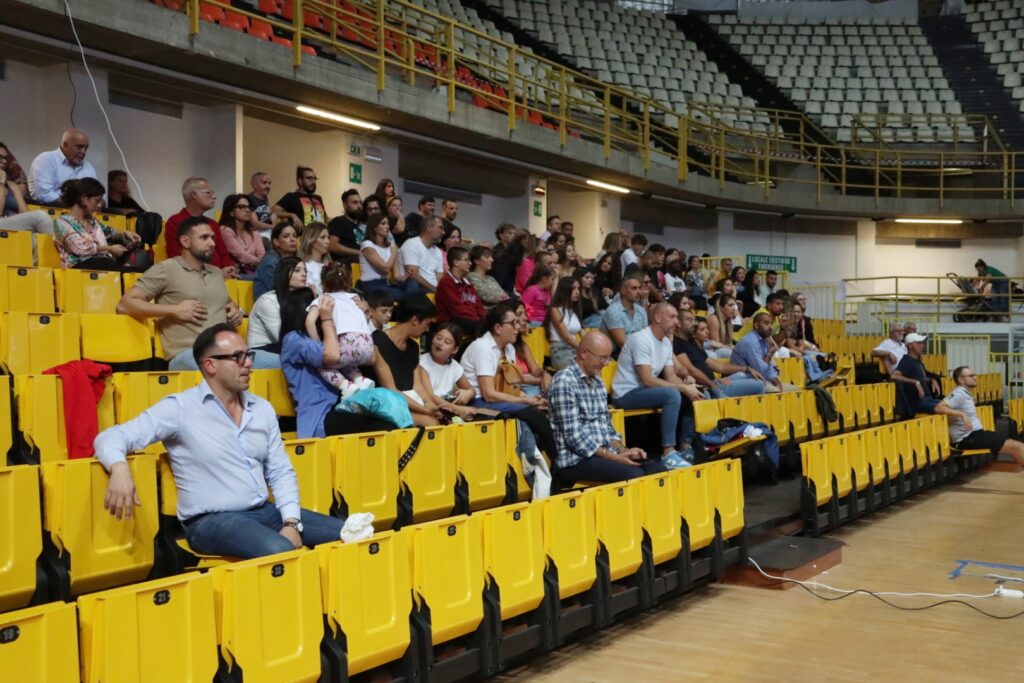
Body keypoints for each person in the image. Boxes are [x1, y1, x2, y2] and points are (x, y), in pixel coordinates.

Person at [94, 323, 344, 559]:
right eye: (238, 357)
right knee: (280, 550)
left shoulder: (262, 408)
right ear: (210, 365)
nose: (248, 364)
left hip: (265, 512)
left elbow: (281, 472)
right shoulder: (180, 408)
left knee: (351, 534)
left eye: (248, 356)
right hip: (210, 521)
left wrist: (291, 522)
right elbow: (112, 436)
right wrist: (119, 467)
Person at [117, 216, 243, 370]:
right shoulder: (166, 269)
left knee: (276, 362)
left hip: (227, 351)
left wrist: (235, 309)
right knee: (224, 370)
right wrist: (175, 310)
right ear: (185, 242)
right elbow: (125, 304)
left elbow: (223, 301)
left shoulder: (216, 273)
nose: (212, 243)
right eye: (204, 238)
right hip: (190, 353)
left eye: (212, 238)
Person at [550, 331, 666, 483]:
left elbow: (607, 428)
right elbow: (574, 437)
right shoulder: (564, 381)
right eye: (602, 357)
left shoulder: (598, 381)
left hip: (604, 455)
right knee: (634, 476)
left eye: (608, 357)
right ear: (584, 353)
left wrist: (623, 451)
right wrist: (615, 457)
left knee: (656, 470)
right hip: (576, 460)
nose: (606, 363)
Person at [280, 289, 393, 438]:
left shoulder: (321, 336)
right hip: (321, 413)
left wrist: (360, 312)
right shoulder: (293, 340)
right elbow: (333, 355)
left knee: (389, 420)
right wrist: (327, 320)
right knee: (382, 428)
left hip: (342, 406)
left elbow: (365, 355)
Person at [610, 303, 703, 468]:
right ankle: (668, 453)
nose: (677, 322)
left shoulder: (666, 342)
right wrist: (682, 388)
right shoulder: (641, 339)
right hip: (626, 393)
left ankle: (685, 447)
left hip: (645, 390)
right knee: (672, 395)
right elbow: (647, 379)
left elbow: (672, 376)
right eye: (672, 317)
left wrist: (690, 389)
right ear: (658, 318)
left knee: (695, 394)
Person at [460, 303, 558, 457]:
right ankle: (560, 466)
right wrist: (526, 402)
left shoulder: (509, 348)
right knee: (536, 418)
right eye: (513, 323)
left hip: (500, 400)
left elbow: (512, 383)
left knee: (546, 412)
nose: (517, 327)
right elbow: (489, 394)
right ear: (498, 328)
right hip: (478, 402)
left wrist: (532, 398)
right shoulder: (483, 347)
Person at [366, 295, 442, 427]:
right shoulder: (377, 341)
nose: (427, 329)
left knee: (441, 421)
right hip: (384, 404)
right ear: (414, 320)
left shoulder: (413, 347)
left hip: (407, 403)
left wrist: (432, 407)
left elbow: (417, 387)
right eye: (427, 324)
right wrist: (426, 411)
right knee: (431, 423)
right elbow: (391, 389)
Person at [306, 263, 375, 398]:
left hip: (346, 343)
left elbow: (309, 321)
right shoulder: (355, 299)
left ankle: (345, 385)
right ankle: (360, 380)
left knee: (322, 361)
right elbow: (364, 321)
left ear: (323, 283)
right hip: (367, 347)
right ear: (348, 282)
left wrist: (318, 345)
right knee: (346, 359)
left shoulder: (323, 299)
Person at [939, 366, 1024, 466]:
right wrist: (961, 414)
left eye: (974, 375)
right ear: (960, 380)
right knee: (1017, 447)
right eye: (970, 375)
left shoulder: (965, 394)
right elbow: (939, 407)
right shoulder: (958, 394)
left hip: (976, 434)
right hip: (966, 438)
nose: (975, 377)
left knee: (1017, 446)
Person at [53, 178, 143, 271]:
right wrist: (110, 249)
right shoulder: (62, 222)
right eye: (97, 200)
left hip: (104, 264)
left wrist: (125, 234)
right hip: (82, 267)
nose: (100, 205)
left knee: (144, 271)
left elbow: (110, 233)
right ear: (83, 198)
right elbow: (80, 248)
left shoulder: (93, 221)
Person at [675, 311, 766, 399]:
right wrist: (712, 384)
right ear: (678, 323)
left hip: (715, 383)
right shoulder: (677, 344)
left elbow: (720, 367)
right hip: (711, 387)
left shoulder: (691, 342)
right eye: (689, 320)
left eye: (693, 320)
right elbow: (691, 370)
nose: (694, 323)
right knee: (759, 385)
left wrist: (747, 369)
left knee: (747, 375)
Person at [164, 177, 236, 276]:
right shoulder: (175, 222)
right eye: (208, 192)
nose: (214, 197)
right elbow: (178, 258)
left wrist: (229, 268)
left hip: (221, 277)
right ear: (194, 195)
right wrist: (217, 273)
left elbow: (223, 254)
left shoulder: (213, 224)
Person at [248, 257, 307, 369]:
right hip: (260, 352)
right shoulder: (268, 300)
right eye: (297, 270)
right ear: (284, 274)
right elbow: (281, 337)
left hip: (285, 350)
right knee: (303, 364)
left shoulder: (300, 300)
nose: (304, 274)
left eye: (305, 271)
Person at [415, 323, 478, 421]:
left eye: (447, 342)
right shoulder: (421, 362)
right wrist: (458, 410)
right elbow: (429, 395)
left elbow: (471, 389)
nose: (440, 343)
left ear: (455, 349)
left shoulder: (454, 366)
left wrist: (469, 393)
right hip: (429, 407)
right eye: (438, 338)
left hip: (448, 407)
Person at [730, 312, 797, 393]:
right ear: (756, 325)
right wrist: (769, 354)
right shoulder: (750, 341)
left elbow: (768, 367)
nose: (770, 327)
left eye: (771, 323)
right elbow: (760, 370)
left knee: (795, 389)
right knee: (775, 392)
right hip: (744, 380)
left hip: (759, 378)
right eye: (766, 323)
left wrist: (776, 381)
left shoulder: (764, 340)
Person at [28, 128, 97, 204]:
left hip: (82, 212)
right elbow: (45, 194)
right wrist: (76, 206)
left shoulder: (88, 167)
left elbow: (98, 195)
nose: (83, 152)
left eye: (86, 148)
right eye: (79, 147)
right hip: (48, 211)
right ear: (65, 145)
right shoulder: (46, 160)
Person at [0, 142, 54, 234]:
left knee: (35, 237)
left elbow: (25, 213)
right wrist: (1, 181)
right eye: (0, 157)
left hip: (12, 227)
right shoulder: (3, 181)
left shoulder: (11, 185)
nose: (4, 161)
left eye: (6, 158)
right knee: (40, 217)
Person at [435, 246, 486, 338]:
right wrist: (477, 320)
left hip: (471, 320)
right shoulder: (446, 282)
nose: (470, 263)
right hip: (452, 322)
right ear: (456, 262)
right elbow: (457, 310)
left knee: (494, 324)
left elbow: (478, 305)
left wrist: (483, 318)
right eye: (466, 260)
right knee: (485, 330)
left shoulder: (468, 283)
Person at [358, 213, 409, 299]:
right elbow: (385, 269)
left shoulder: (391, 246)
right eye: (383, 223)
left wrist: (405, 277)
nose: (387, 226)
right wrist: (394, 253)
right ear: (374, 227)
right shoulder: (367, 245)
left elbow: (396, 276)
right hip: (371, 285)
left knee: (411, 292)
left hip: (385, 283)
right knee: (402, 297)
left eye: (387, 223)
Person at [892, 332, 943, 413]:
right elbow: (894, 376)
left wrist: (931, 380)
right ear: (910, 345)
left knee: (950, 404)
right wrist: (915, 382)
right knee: (946, 407)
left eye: (922, 343)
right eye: (919, 343)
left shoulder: (918, 362)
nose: (922, 346)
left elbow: (922, 378)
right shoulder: (906, 361)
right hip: (918, 402)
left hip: (927, 399)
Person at [218, 194, 265, 278]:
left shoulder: (254, 233)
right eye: (242, 207)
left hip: (256, 271)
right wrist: (261, 262)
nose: (247, 210)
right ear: (231, 212)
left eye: (248, 207)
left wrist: (263, 263)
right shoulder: (225, 230)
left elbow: (261, 254)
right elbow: (241, 255)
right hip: (236, 273)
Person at [601, 274, 648, 353]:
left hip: (637, 351)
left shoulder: (640, 310)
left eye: (639, 288)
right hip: (614, 355)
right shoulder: (613, 311)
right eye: (634, 288)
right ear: (623, 290)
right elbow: (623, 344)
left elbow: (645, 336)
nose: (639, 292)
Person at [512, 302, 552, 397]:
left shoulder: (522, 345)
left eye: (525, 313)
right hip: (518, 388)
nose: (526, 318)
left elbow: (535, 370)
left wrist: (545, 374)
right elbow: (513, 378)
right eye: (519, 314)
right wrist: (542, 380)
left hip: (532, 386)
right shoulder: (501, 346)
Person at [399, 214, 445, 293]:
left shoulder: (438, 251)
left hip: (433, 291)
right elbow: (413, 275)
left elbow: (440, 278)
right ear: (430, 228)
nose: (443, 232)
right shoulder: (412, 244)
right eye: (440, 228)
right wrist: (435, 290)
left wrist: (441, 292)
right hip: (418, 288)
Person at [253, 222, 299, 299]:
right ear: (276, 242)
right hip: (270, 305)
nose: (292, 239)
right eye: (286, 236)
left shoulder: (295, 261)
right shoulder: (271, 262)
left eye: (295, 236)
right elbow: (279, 291)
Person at [547, 276, 583, 371]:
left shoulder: (573, 311)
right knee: (580, 369)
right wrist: (586, 350)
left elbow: (583, 333)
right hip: (560, 350)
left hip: (575, 349)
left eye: (578, 288)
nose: (577, 292)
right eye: (573, 289)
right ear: (564, 291)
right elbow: (566, 337)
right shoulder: (555, 310)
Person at [466, 244, 511, 308]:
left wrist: (504, 298)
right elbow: (486, 296)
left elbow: (503, 294)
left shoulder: (490, 278)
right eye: (487, 257)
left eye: (491, 257)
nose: (492, 260)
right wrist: (503, 298)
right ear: (477, 260)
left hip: (500, 309)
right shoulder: (471, 276)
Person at [327, 188, 364, 262]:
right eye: (355, 203)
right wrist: (358, 252)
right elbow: (332, 246)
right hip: (345, 264)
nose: (359, 206)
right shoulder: (338, 222)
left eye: (360, 202)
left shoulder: (362, 225)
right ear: (345, 205)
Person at [298, 222, 332, 294]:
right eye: (322, 237)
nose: (328, 241)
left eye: (328, 238)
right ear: (311, 240)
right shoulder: (304, 267)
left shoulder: (330, 265)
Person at [246, 171, 275, 237]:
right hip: (256, 234)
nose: (268, 186)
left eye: (269, 183)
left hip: (267, 231)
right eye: (264, 183)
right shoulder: (248, 199)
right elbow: (255, 223)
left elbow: (269, 215)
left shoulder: (265, 198)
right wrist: (274, 227)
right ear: (254, 185)